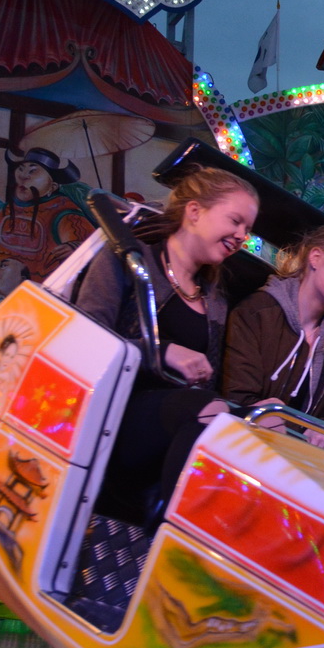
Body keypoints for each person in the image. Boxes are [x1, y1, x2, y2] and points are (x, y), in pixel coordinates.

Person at [74, 167, 260, 524]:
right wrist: (160, 352)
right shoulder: (129, 260)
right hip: (107, 419)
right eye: (235, 221)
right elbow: (85, 340)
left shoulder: (214, 297)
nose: (241, 236)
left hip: (169, 429)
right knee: (205, 411)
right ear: (194, 211)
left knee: (235, 423)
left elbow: (211, 384)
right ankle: (176, 531)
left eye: (247, 230)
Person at [222, 222, 324, 458]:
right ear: (316, 258)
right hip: (238, 451)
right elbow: (237, 400)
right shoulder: (257, 312)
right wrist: (308, 430)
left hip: (295, 462)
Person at [0, 148, 94, 292]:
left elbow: (89, 243)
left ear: (53, 186)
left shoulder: (63, 212)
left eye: (33, 171)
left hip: (40, 290)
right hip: (2, 291)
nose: (23, 176)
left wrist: (73, 248)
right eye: (21, 169)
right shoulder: (9, 208)